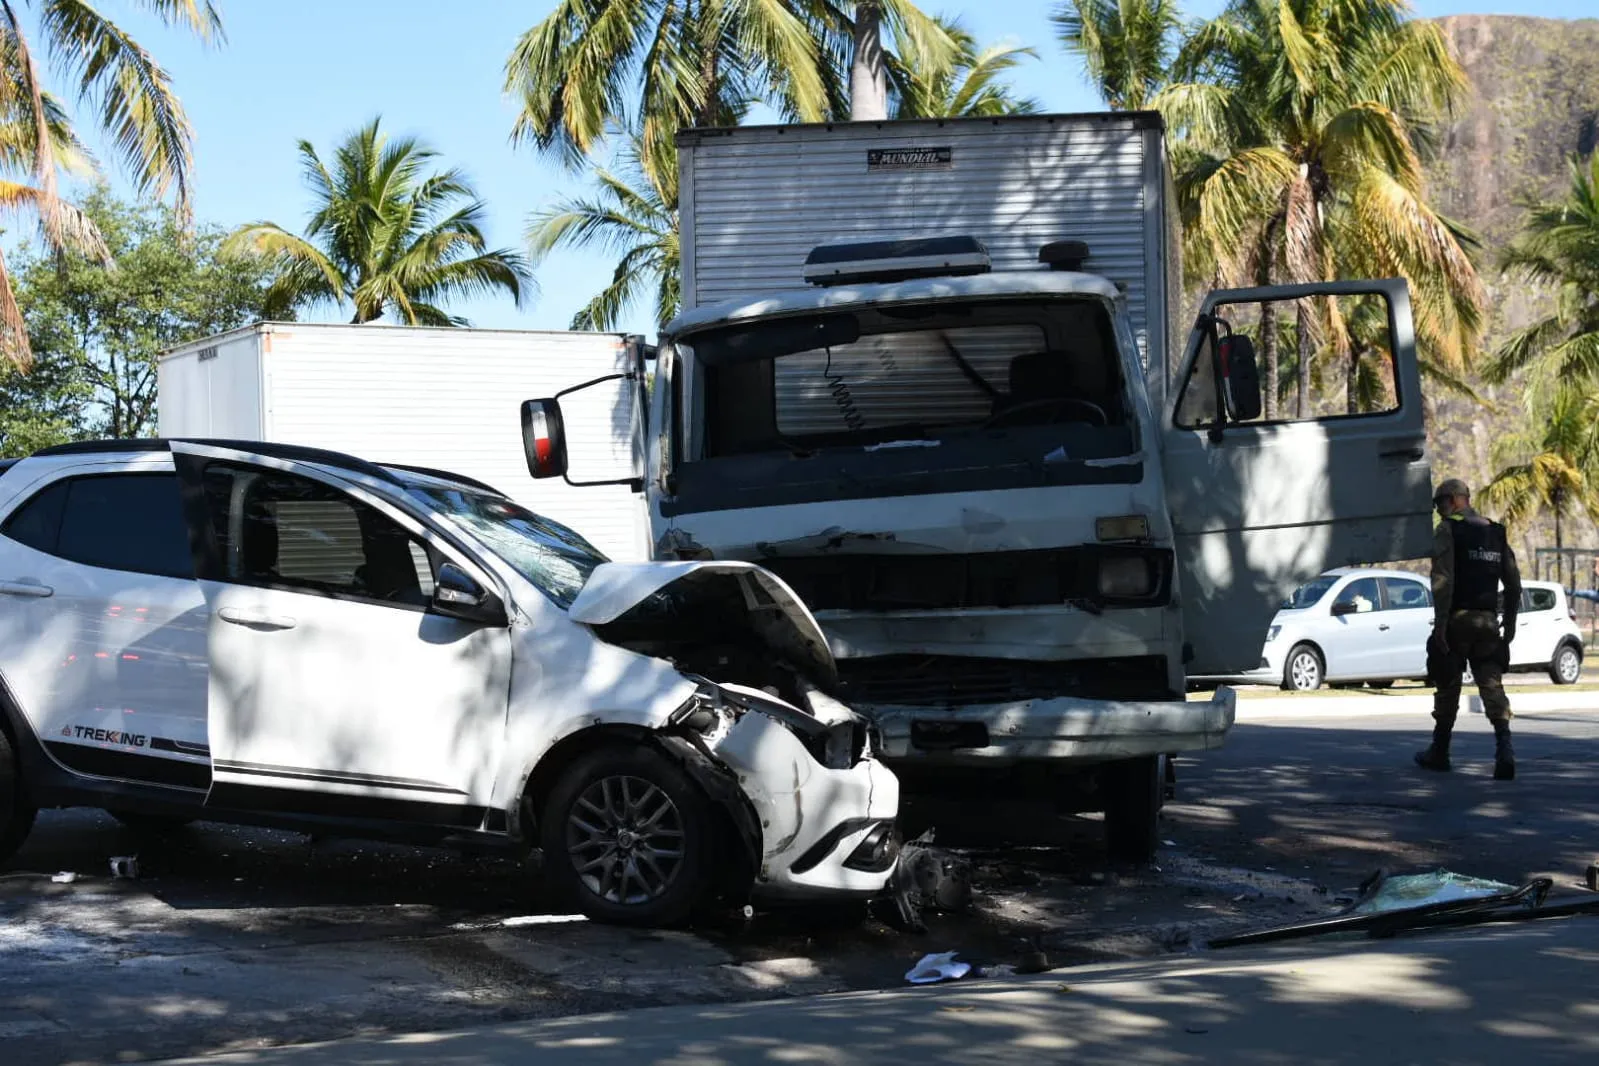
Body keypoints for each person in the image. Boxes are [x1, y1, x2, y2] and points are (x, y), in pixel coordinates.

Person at [1415, 478, 1521, 780]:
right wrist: (1509, 624)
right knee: (1491, 685)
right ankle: (1505, 749)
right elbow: (1514, 584)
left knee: (1448, 683)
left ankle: (1440, 751)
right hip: (1488, 623)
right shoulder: (1495, 532)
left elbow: (1442, 580)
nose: (1438, 511)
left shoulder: (1449, 529)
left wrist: (1441, 624)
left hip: (1458, 619)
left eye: (1439, 504)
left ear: (1454, 500)